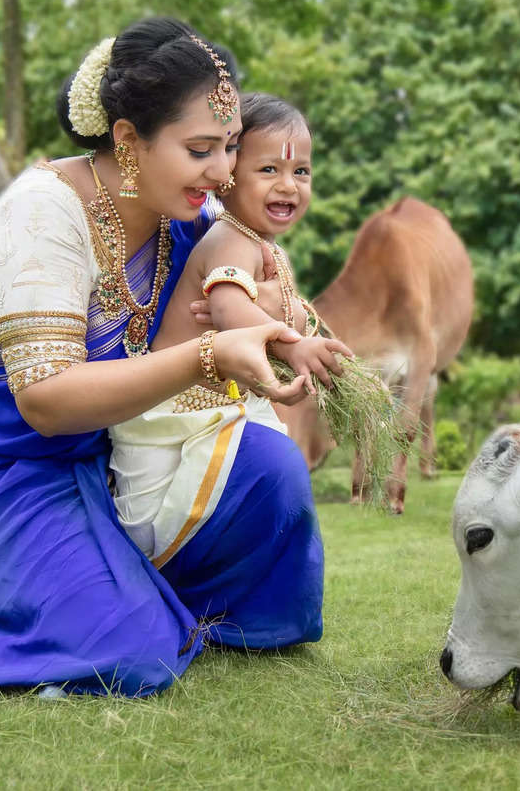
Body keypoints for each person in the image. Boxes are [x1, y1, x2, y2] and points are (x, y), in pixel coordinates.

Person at [0, 17, 341, 697]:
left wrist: (280, 319)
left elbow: (249, 288)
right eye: (201, 149)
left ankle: (148, 593)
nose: (224, 172)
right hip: (23, 469)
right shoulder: (44, 213)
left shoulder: (183, 218)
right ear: (128, 139)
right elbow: (42, 400)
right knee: (129, 649)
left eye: (232, 148)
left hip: (119, 463)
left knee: (272, 476)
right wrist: (205, 355)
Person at [109, 92, 348, 568]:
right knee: (162, 521)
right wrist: (296, 346)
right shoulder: (229, 238)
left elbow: (275, 313)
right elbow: (229, 311)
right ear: (228, 178)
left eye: (301, 171)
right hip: (175, 416)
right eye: (269, 171)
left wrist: (296, 324)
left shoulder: (262, 246)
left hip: (216, 408)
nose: (289, 185)